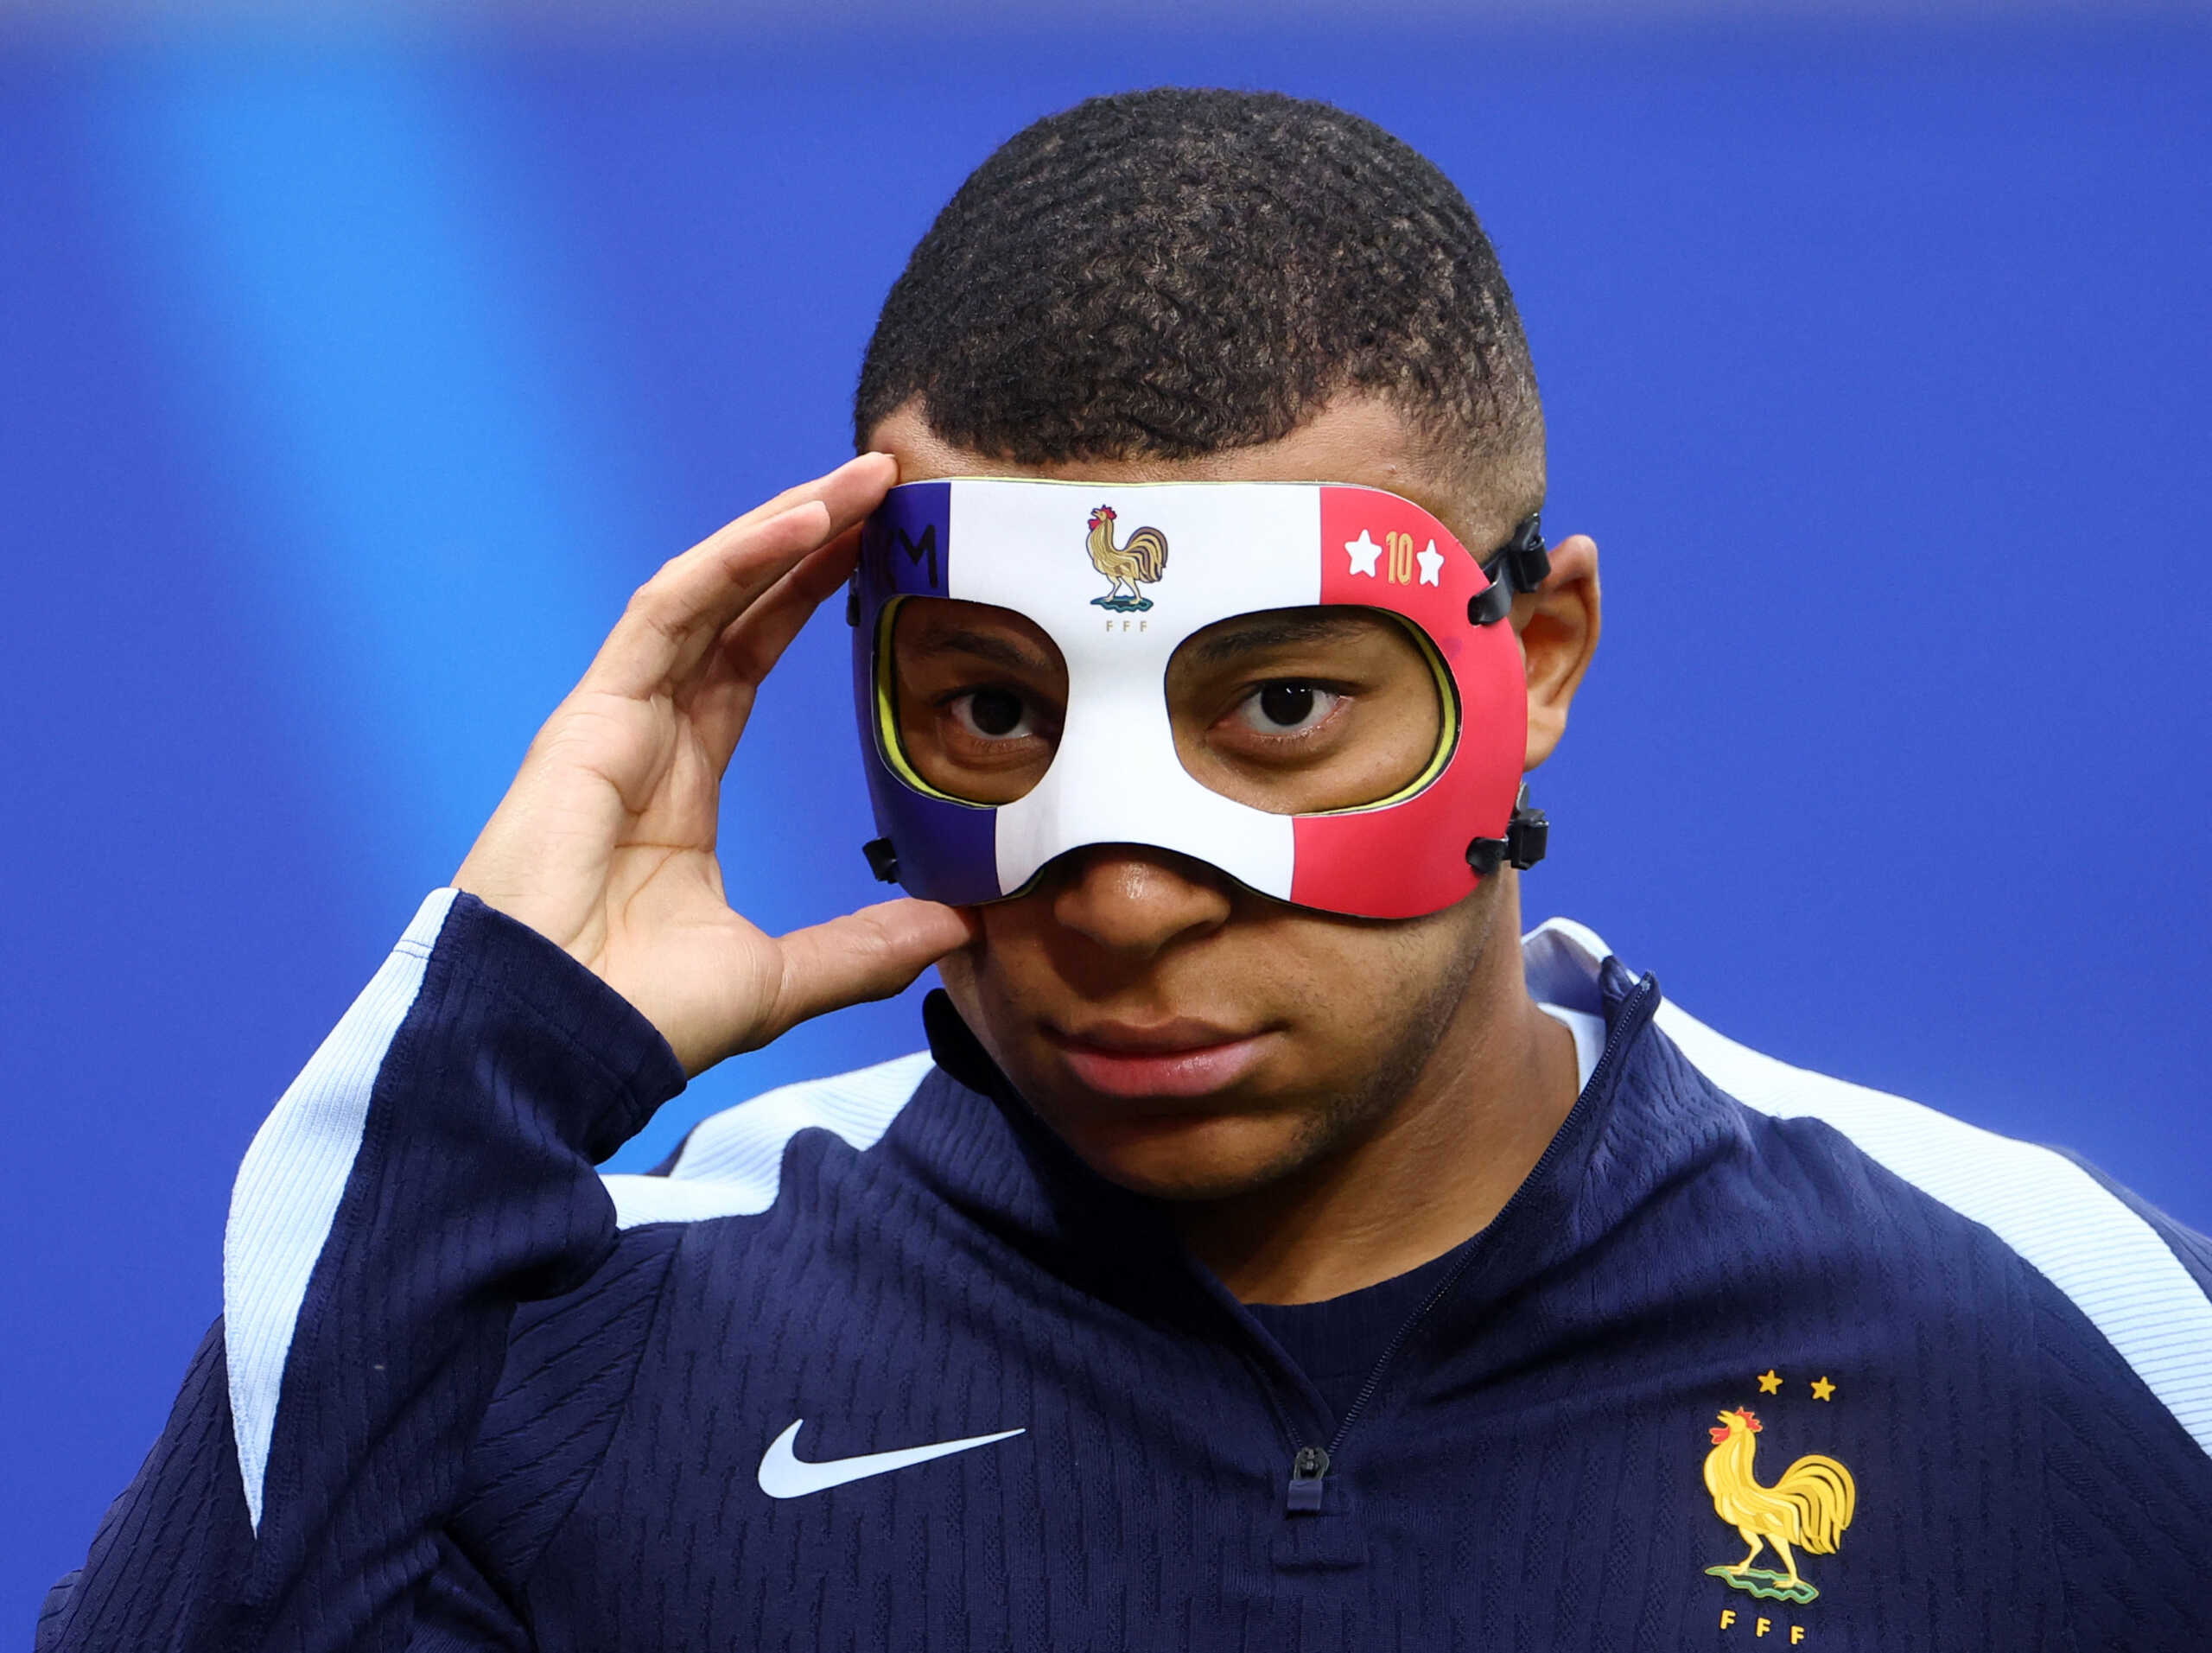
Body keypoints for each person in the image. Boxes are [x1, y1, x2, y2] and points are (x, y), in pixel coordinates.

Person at [40, 89, 2211, 1653]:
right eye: (993, 713)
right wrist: (472, 1072)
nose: (1122, 890)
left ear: (1529, 663)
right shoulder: (589, 1345)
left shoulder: (2062, 1332)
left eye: (1274, 712)